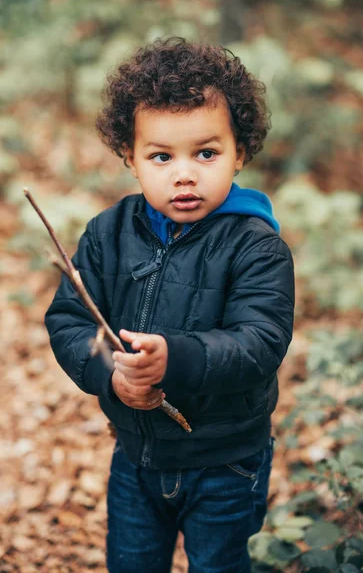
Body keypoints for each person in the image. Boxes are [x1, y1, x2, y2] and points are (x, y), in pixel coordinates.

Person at [45, 37, 295, 573]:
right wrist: (111, 373)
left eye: (207, 153)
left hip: (226, 461)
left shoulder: (256, 245)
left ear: (240, 152)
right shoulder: (108, 234)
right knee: (132, 562)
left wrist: (175, 359)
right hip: (136, 455)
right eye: (161, 156)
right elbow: (70, 319)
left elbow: (261, 340)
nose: (184, 173)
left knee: (219, 565)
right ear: (130, 159)